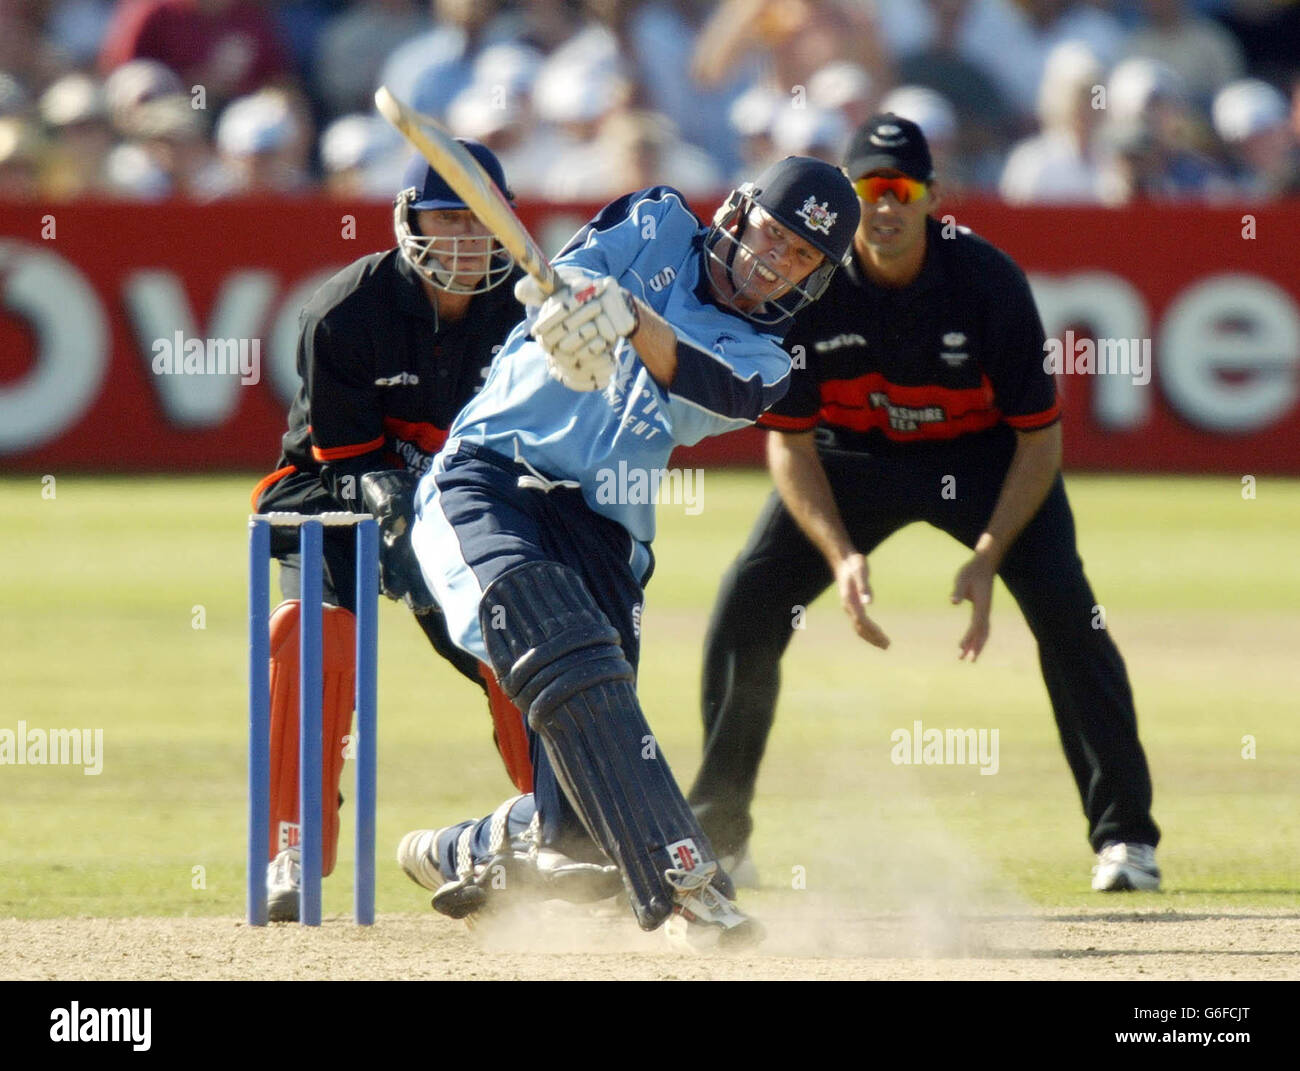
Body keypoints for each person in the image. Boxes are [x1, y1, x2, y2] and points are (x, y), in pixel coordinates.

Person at [688, 115, 1162, 894]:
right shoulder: (808, 286)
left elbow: (1041, 440)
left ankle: (1126, 841)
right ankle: (718, 836)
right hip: (853, 459)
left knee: (1074, 622)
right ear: (849, 200)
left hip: (984, 460)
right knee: (749, 604)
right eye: (870, 189)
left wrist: (987, 554)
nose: (885, 206)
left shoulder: (987, 281)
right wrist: (841, 556)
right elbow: (791, 444)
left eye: (901, 189)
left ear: (931, 198)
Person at [399, 155, 860, 945]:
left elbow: (694, 374)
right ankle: (682, 879)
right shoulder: (657, 219)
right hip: (490, 474)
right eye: (773, 236)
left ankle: (474, 846)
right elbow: (566, 281)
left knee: (578, 847)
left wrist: (628, 324)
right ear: (741, 212)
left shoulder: (767, 363)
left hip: (604, 527)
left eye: (798, 257)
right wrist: (570, 310)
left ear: (813, 277)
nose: (771, 261)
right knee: (551, 628)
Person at [250, 141, 529, 922]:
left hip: (460, 497)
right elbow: (346, 456)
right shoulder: (346, 311)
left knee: (518, 637)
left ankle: (558, 828)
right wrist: (392, 509)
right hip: (335, 490)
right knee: (311, 635)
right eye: (450, 220)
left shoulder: (524, 317)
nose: (469, 243)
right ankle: (292, 845)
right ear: (410, 223)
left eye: (484, 223)